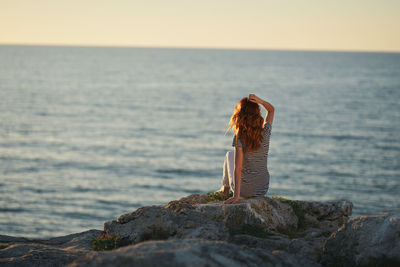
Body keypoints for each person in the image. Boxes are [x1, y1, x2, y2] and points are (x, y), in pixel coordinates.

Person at [219, 94, 274, 204]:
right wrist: (260, 101)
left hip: (244, 191)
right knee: (234, 156)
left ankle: (225, 190)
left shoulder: (239, 137)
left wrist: (236, 196)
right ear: (257, 113)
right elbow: (271, 110)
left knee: (229, 155)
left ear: (240, 115)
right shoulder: (266, 132)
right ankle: (225, 189)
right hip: (262, 189)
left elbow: (238, 168)